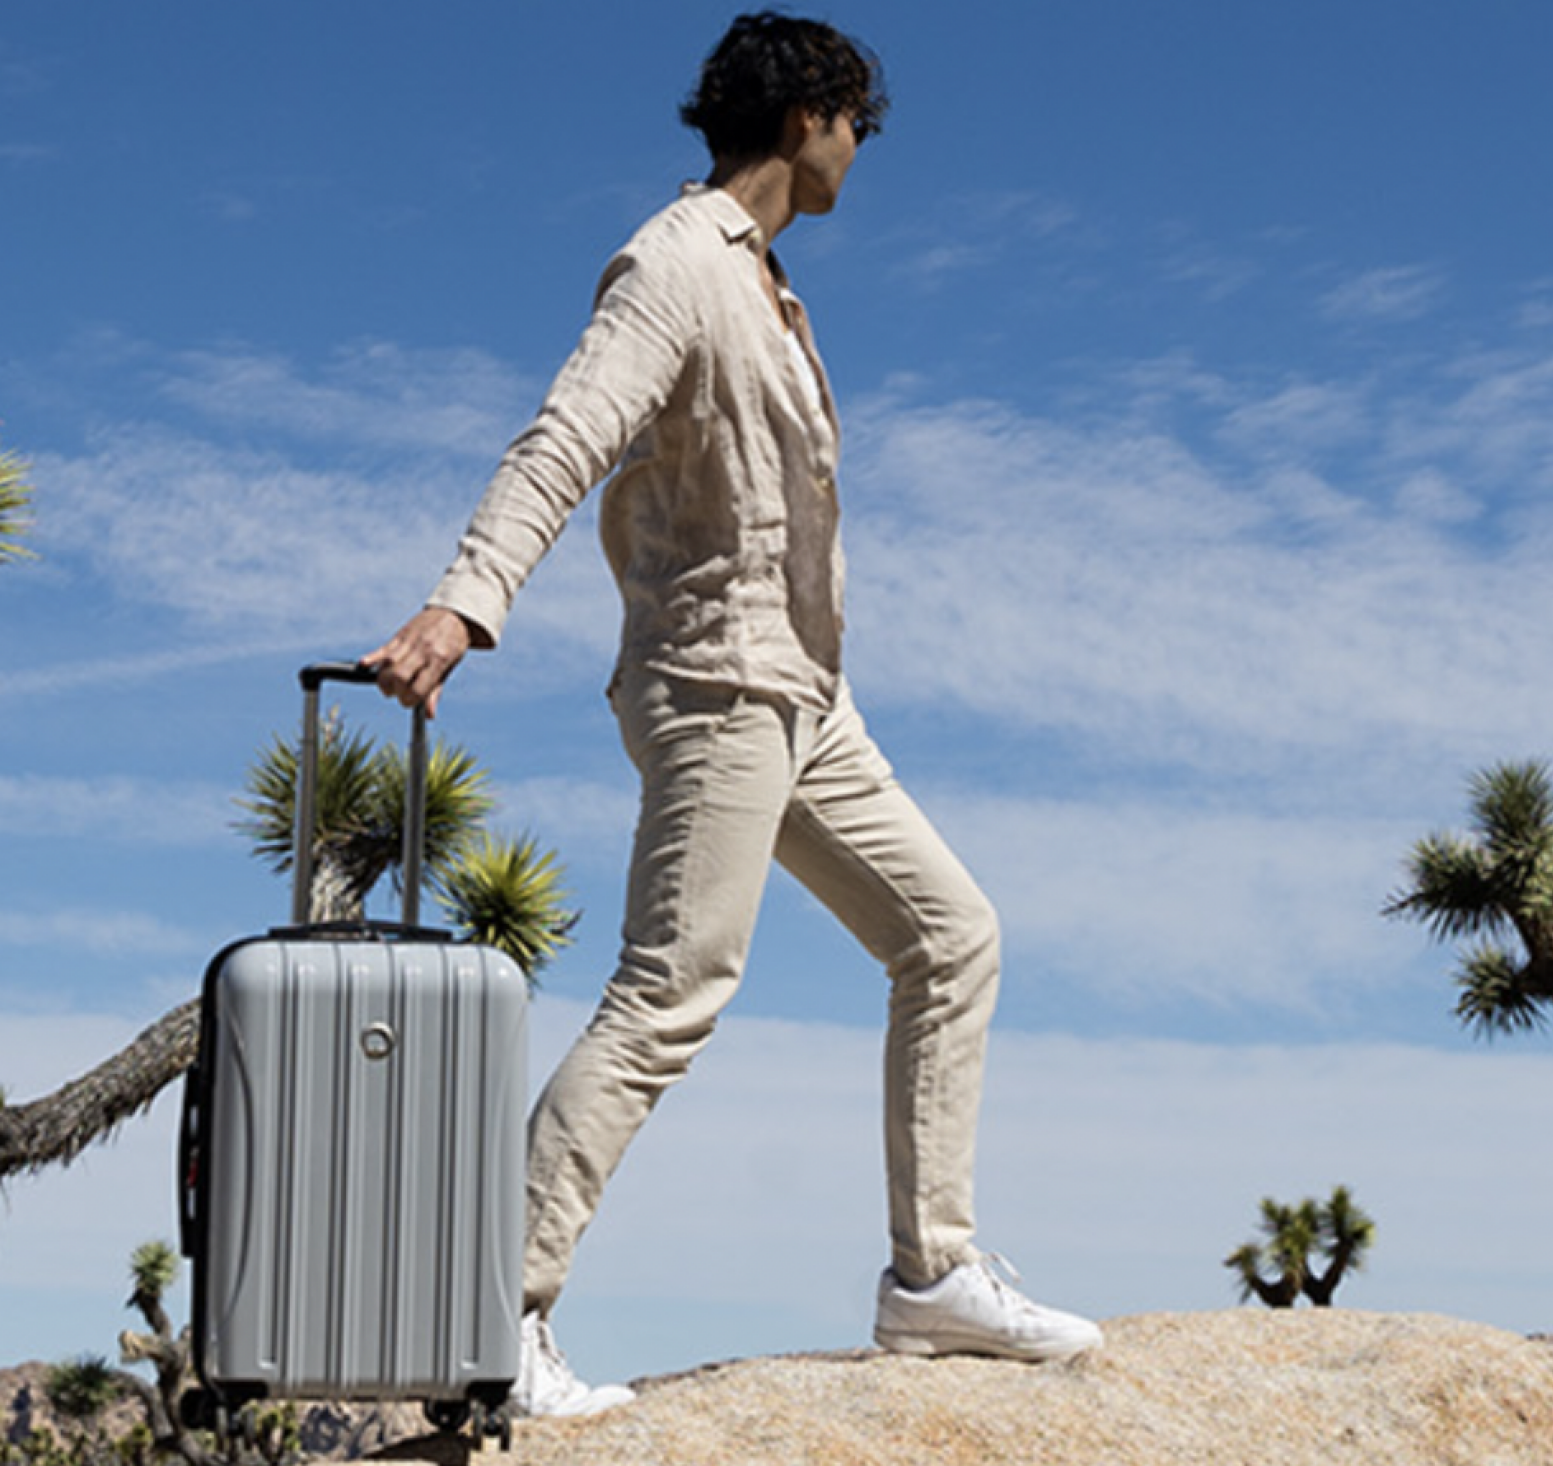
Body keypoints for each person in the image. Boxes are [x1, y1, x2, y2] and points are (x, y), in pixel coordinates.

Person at [364, 10, 1103, 1420]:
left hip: (806, 695)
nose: (860, 150)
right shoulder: (676, 264)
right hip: (716, 687)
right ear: (808, 113)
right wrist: (462, 604)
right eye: (855, 122)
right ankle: (496, 1309)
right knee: (670, 988)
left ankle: (932, 1274)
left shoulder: (768, 286)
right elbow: (565, 438)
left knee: (952, 936)